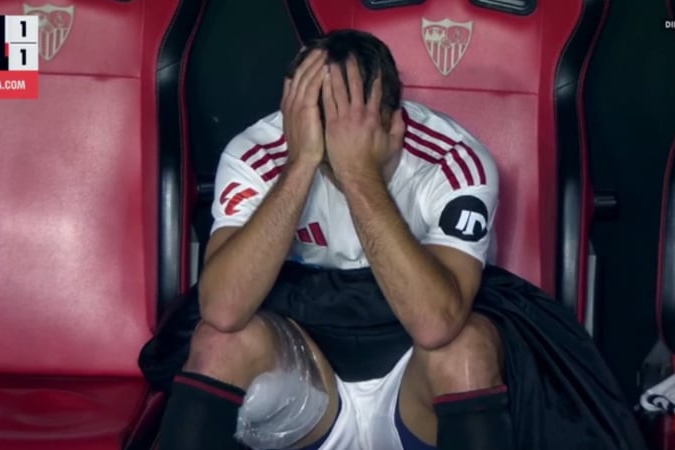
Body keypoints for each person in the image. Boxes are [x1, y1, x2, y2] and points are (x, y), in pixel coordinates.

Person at [158, 29, 509, 450]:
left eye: (353, 131)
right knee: (217, 342)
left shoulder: (454, 159)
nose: (338, 151)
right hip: (309, 386)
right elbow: (222, 308)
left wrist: (359, 173)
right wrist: (301, 162)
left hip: (412, 385)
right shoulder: (258, 152)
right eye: (327, 142)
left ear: (395, 123)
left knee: (468, 348)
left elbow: (437, 324)